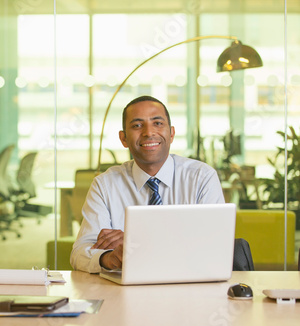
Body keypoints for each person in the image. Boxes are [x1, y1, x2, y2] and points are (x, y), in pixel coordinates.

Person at [70, 95, 225, 273]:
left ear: (171, 133)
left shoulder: (201, 178)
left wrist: (137, 241)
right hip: (125, 290)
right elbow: (80, 253)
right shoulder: (105, 184)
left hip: (188, 285)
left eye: (157, 123)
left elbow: (215, 247)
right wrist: (108, 258)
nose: (149, 132)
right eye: (137, 125)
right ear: (124, 139)